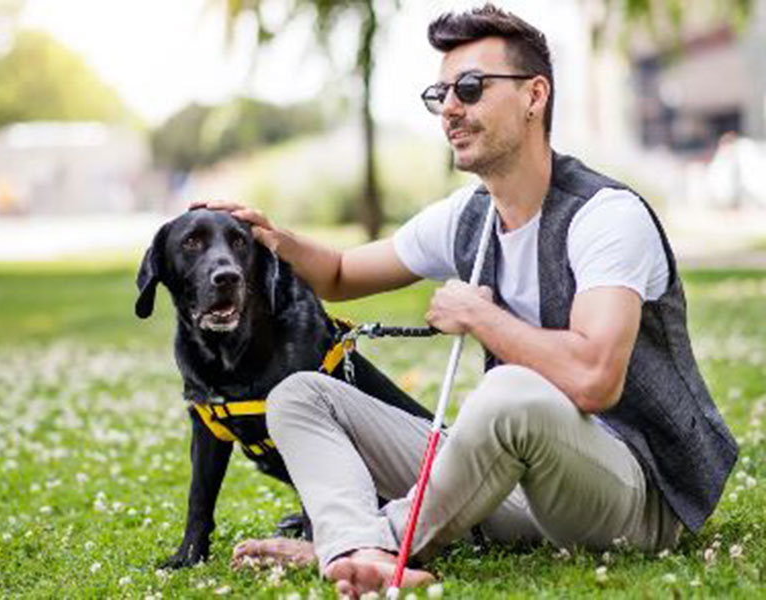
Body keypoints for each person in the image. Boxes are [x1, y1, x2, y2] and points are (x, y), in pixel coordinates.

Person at [199, 5, 738, 597]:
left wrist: (480, 317)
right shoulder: (470, 215)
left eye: (472, 89)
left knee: (508, 391)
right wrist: (276, 240)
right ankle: (355, 549)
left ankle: (376, 539)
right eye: (441, 93)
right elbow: (343, 272)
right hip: (520, 482)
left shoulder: (605, 216)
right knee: (300, 396)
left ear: (535, 96)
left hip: (632, 498)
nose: (451, 108)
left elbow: (594, 379)